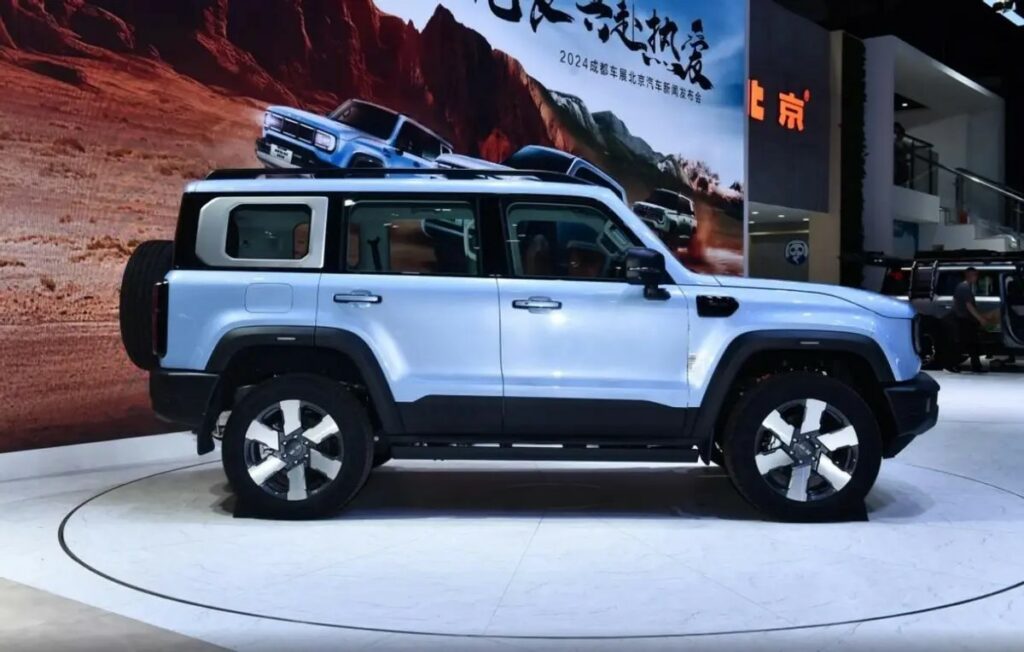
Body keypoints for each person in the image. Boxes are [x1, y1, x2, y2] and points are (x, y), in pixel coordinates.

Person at [949, 267, 993, 373]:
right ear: (969, 275)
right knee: (964, 343)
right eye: (975, 275)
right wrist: (981, 319)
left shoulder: (965, 287)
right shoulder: (964, 287)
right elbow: (969, 306)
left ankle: (976, 366)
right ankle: (952, 365)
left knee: (972, 343)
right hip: (963, 320)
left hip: (965, 319)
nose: (977, 278)